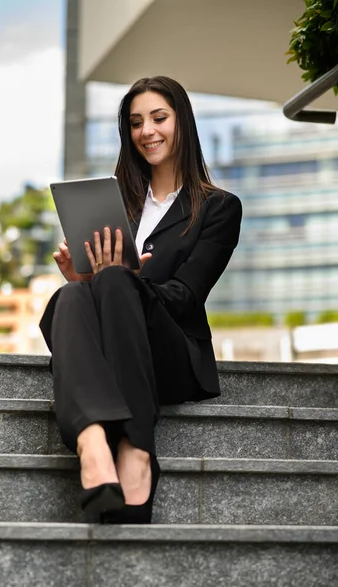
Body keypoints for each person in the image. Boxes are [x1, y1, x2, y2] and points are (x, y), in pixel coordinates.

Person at [39, 75, 242, 524]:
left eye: (158, 118)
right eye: (135, 123)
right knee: (73, 293)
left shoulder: (219, 208)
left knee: (113, 283)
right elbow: (98, 288)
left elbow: (186, 297)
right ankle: (92, 441)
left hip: (169, 355)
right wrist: (86, 277)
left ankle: (136, 450)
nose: (146, 131)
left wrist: (126, 281)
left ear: (182, 123)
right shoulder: (120, 207)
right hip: (112, 345)